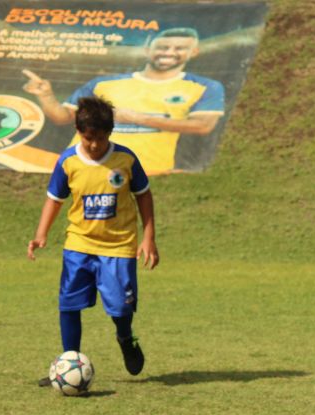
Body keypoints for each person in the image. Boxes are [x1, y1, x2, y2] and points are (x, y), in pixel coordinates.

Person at [27, 96, 159, 386]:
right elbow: (54, 199)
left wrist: (148, 237)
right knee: (68, 304)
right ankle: (67, 363)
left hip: (119, 247)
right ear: (78, 130)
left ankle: (125, 336)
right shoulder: (68, 161)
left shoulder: (125, 159)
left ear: (109, 133)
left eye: (100, 138)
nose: (95, 145)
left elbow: (144, 195)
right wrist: (40, 234)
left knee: (121, 309)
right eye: (89, 138)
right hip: (79, 245)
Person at [23, 27, 225, 175]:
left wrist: (139, 119)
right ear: (147, 49)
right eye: (163, 47)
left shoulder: (206, 87)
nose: (169, 52)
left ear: (194, 52)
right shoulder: (103, 83)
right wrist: (46, 96)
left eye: (179, 48)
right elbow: (63, 117)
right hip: (84, 168)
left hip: (147, 171)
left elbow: (203, 126)